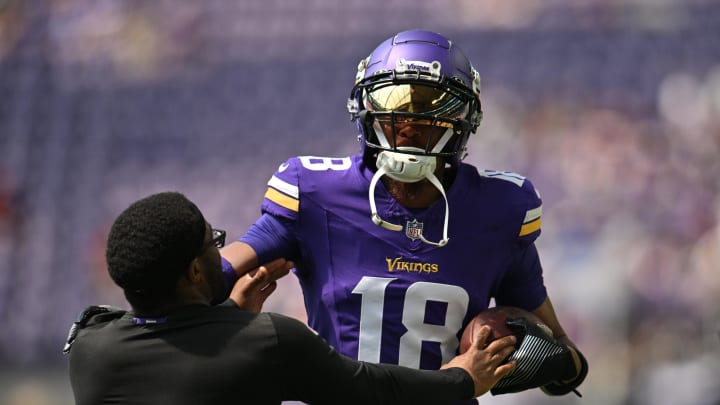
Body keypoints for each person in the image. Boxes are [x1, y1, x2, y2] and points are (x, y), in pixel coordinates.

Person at [220, 29, 588, 402]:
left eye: (432, 106)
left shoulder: (499, 210)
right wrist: (228, 311)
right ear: (365, 107)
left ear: (465, 117)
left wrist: (525, 352)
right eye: (394, 102)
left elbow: (565, 360)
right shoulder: (315, 193)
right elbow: (206, 276)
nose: (410, 121)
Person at [64, 191, 519, 405]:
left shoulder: (89, 348)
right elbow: (366, 388)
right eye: (212, 243)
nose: (220, 249)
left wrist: (224, 314)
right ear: (195, 270)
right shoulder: (266, 341)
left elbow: (175, 351)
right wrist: (462, 380)